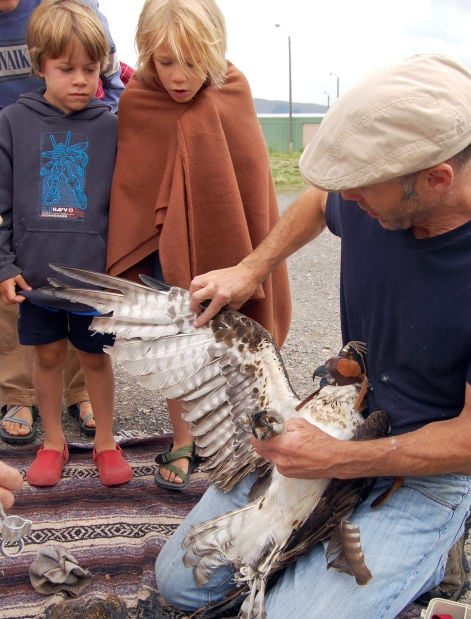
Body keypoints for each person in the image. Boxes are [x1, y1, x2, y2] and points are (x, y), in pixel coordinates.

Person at [155, 54, 471, 616]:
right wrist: (252, 267)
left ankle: (437, 547)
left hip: (424, 470)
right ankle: (313, 552)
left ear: (437, 178)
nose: (346, 200)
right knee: (181, 582)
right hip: (339, 412)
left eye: (360, 190)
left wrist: (337, 461)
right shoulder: (377, 196)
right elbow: (318, 201)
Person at [106, 0, 291, 490]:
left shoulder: (233, 88)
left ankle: (239, 441)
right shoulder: (139, 98)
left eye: (191, 61)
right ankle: (184, 439)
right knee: (173, 341)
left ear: (213, 50)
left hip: (230, 249)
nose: (179, 76)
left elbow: (251, 185)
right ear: (147, 55)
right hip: (159, 251)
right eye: (166, 62)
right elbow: (133, 184)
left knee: (236, 343)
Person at [0, 0, 132, 487]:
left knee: (96, 358)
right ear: (39, 66)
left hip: (94, 279)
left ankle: (105, 442)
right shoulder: (12, 122)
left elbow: (127, 203)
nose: (80, 79)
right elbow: (1, 202)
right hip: (36, 276)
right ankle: (52, 441)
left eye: (90, 69)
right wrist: (2, 264)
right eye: (66, 68)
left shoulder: (113, 124)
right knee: (48, 356)